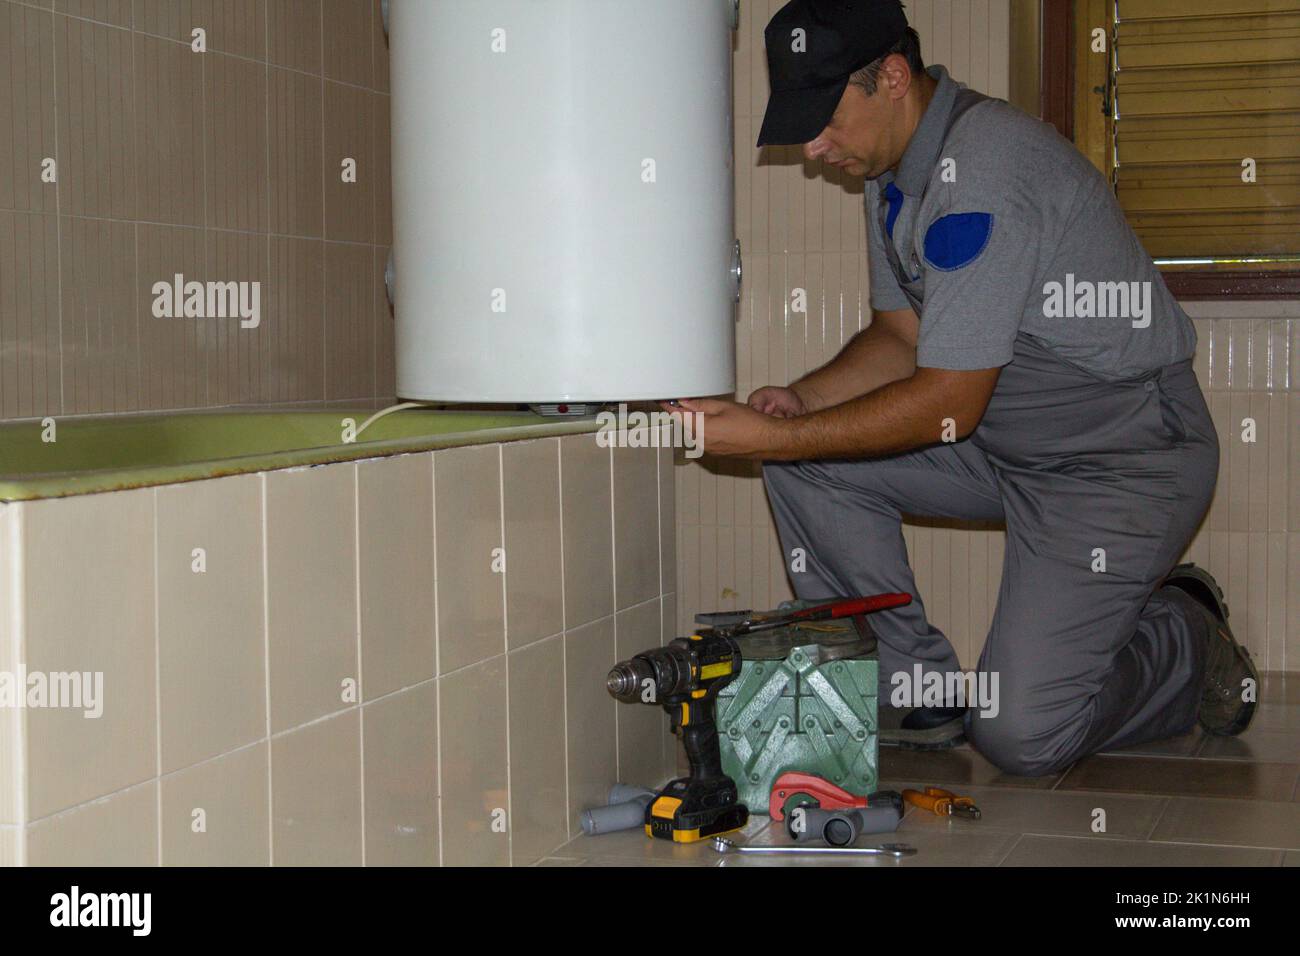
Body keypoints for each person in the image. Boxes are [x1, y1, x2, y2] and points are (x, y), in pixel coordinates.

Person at [664, 0, 1257, 774]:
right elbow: (901, 336)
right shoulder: (894, 177)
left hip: (1124, 459)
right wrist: (800, 404)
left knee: (1020, 734)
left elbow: (947, 399)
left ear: (893, 77)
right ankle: (918, 687)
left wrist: (767, 435)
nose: (813, 147)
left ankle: (1186, 635)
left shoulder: (984, 173)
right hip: (1002, 445)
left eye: (825, 118)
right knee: (805, 460)